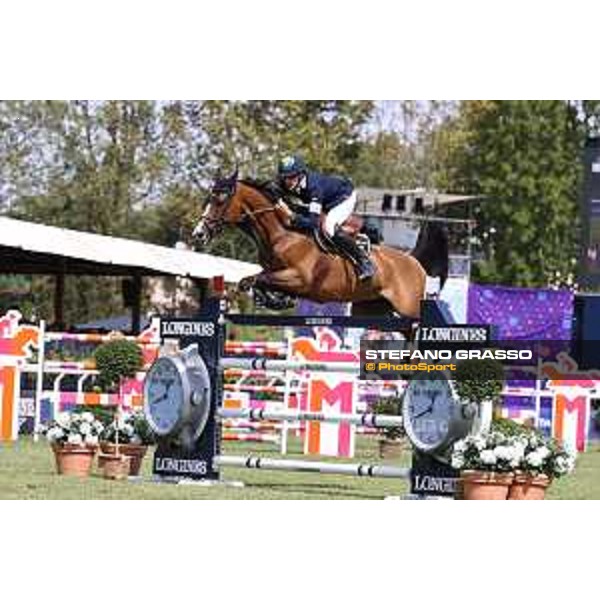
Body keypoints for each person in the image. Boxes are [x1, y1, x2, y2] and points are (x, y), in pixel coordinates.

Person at [277, 155, 375, 280]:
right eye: (285, 178)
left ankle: (364, 261)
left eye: (291, 177)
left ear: (301, 175)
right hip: (326, 200)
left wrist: (291, 215)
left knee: (329, 227)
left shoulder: (314, 188)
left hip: (343, 197)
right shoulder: (286, 183)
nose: (287, 181)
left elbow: (313, 223)